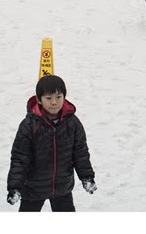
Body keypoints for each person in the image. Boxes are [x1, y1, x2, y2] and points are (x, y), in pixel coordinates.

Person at [7, 74, 95, 212]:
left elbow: (80, 152)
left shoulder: (72, 123)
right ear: (39, 100)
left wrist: (87, 177)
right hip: (33, 188)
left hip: (62, 187)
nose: (54, 102)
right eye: (49, 98)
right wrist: (15, 186)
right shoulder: (29, 125)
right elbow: (20, 158)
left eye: (58, 97)